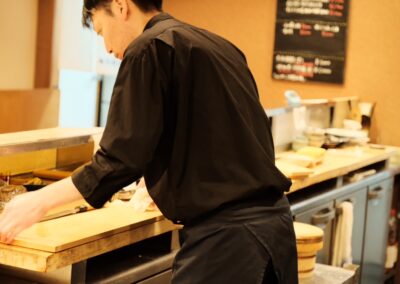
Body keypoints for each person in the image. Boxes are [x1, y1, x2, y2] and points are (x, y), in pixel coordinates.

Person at [0, 0, 298, 283]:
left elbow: (118, 160)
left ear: (120, 5)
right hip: (274, 230)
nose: (107, 48)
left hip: (228, 242)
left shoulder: (148, 47)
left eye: (101, 30)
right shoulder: (219, 46)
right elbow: (216, 135)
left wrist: (37, 202)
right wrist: (166, 179)